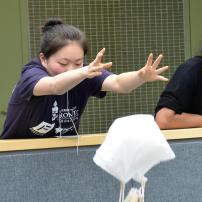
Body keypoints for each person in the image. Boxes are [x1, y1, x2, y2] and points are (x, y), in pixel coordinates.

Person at [1, 18, 168, 139]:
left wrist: (140, 76)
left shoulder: (85, 72)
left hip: (61, 155)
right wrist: (83, 71)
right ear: (43, 59)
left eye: (78, 62)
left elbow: (119, 84)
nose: (71, 69)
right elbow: (54, 86)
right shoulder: (31, 75)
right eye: (63, 63)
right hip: (16, 156)